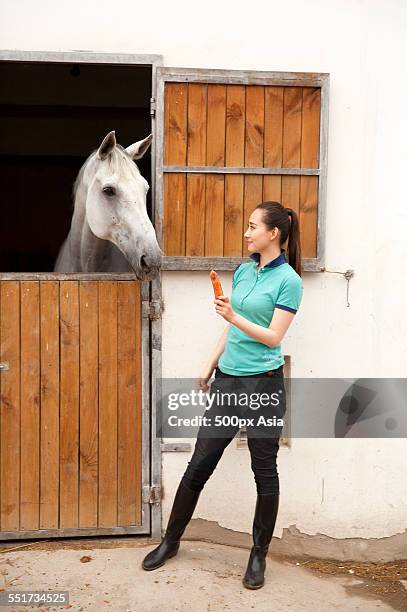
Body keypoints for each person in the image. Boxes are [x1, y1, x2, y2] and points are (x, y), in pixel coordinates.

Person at [142, 201, 303, 589]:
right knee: (199, 465)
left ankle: (258, 555)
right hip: (228, 384)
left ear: (273, 234)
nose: (246, 233)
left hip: (263, 385)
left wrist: (233, 317)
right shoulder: (245, 271)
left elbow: (273, 337)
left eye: (252, 226)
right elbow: (231, 329)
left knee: (264, 472)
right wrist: (210, 362)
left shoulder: (290, 281)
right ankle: (171, 541)